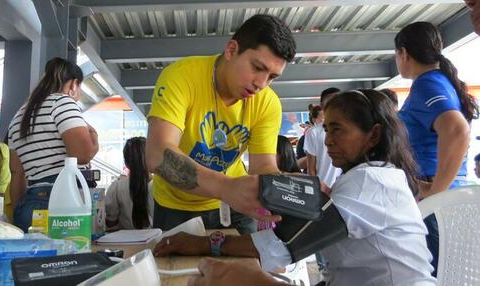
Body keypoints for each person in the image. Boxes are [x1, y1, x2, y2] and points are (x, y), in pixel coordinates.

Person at [154, 90, 435, 286]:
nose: (327, 142)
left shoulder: (372, 182)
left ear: (373, 134)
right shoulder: (369, 178)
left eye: (337, 130)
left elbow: (285, 246)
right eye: (326, 130)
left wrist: (206, 245)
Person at [145, 14, 296, 234]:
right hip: (177, 205)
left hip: (235, 204)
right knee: (177, 267)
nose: (261, 84)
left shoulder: (268, 103)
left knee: (249, 266)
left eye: (272, 76)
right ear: (231, 50)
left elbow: (262, 167)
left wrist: (294, 187)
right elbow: (157, 154)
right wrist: (227, 188)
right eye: (257, 67)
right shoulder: (181, 77)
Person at [395, 21, 478, 276]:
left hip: (435, 199)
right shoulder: (440, 81)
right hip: (440, 196)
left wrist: (436, 192)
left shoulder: (426, 84)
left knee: (435, 277)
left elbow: (456, 130)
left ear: (404, 53)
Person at [8, 57, 99, 232]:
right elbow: (82, 155)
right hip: (62, 202)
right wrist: (94, 138)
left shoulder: (19, 116)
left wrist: (19, 212)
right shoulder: (63, 103)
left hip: (29, 203)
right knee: (68, 258)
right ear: (73, 84)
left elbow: (17, 174)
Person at [105, 137, 153, 230]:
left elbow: (111, 223)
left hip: (125, 243)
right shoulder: (161, 187)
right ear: (151, 160)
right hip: (158, 241)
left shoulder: (117, 187)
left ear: (126, 164)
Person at [304, 88, 342, 193]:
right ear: (322, 105)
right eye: (329, 102)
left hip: (344, 187)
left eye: (338, 101)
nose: (334, 105)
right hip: (322, 188)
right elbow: (310, 167)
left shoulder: (350, 129)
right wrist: (316, 190)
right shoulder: (313, 132)